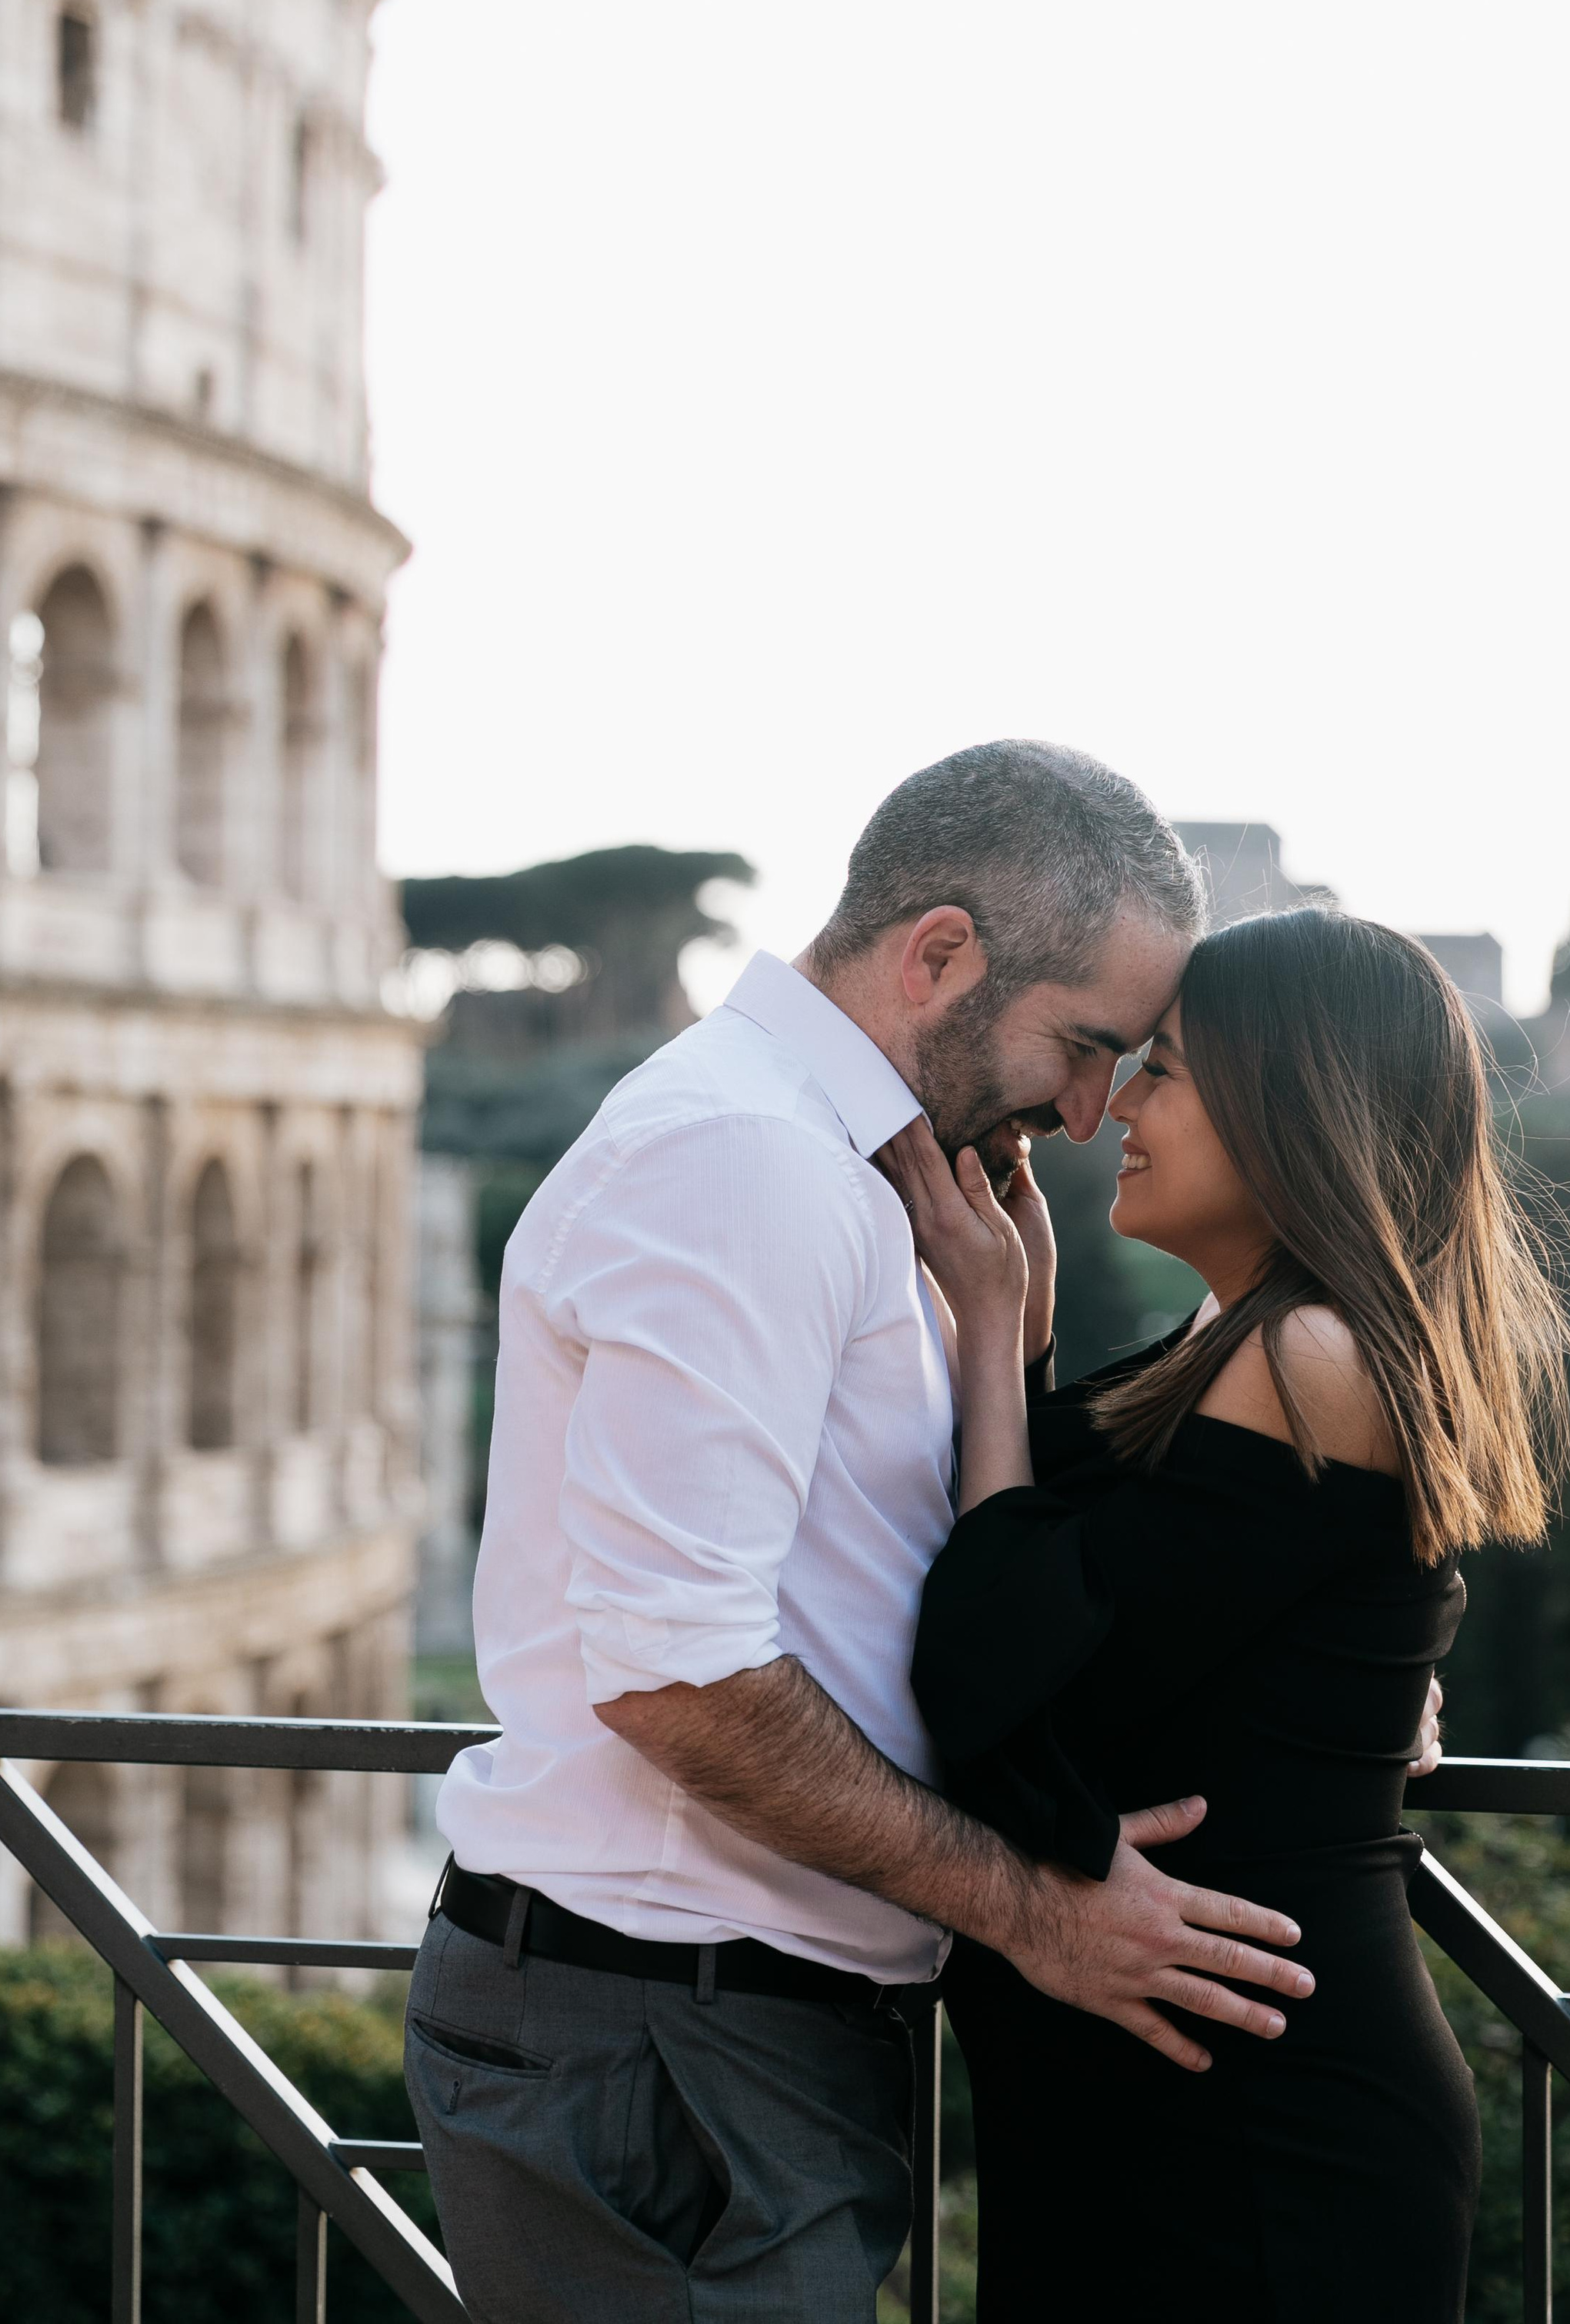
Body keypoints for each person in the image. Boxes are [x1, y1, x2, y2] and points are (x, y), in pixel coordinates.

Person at [408, 744, 1358, 2323]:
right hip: (668, 2028)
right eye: (1081, 1047)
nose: (1078, 1112)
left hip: (705, 2020)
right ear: (938, 956)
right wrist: (1028, 1910)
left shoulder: (848, 1174)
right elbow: (677, 1678)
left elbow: (932, 1583)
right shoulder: (745, 1162)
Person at [900, 904, 1570, 2322]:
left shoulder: (1311, 1353)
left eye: (1165, 1073)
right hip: (1161, 2098)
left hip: (1262, 2130)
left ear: (1291, 1110)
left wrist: (985, 1341)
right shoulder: (1237, 1342)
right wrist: (1021, 1338)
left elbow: (997, 1657)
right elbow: (1087, 1582)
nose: (1116, 1112)